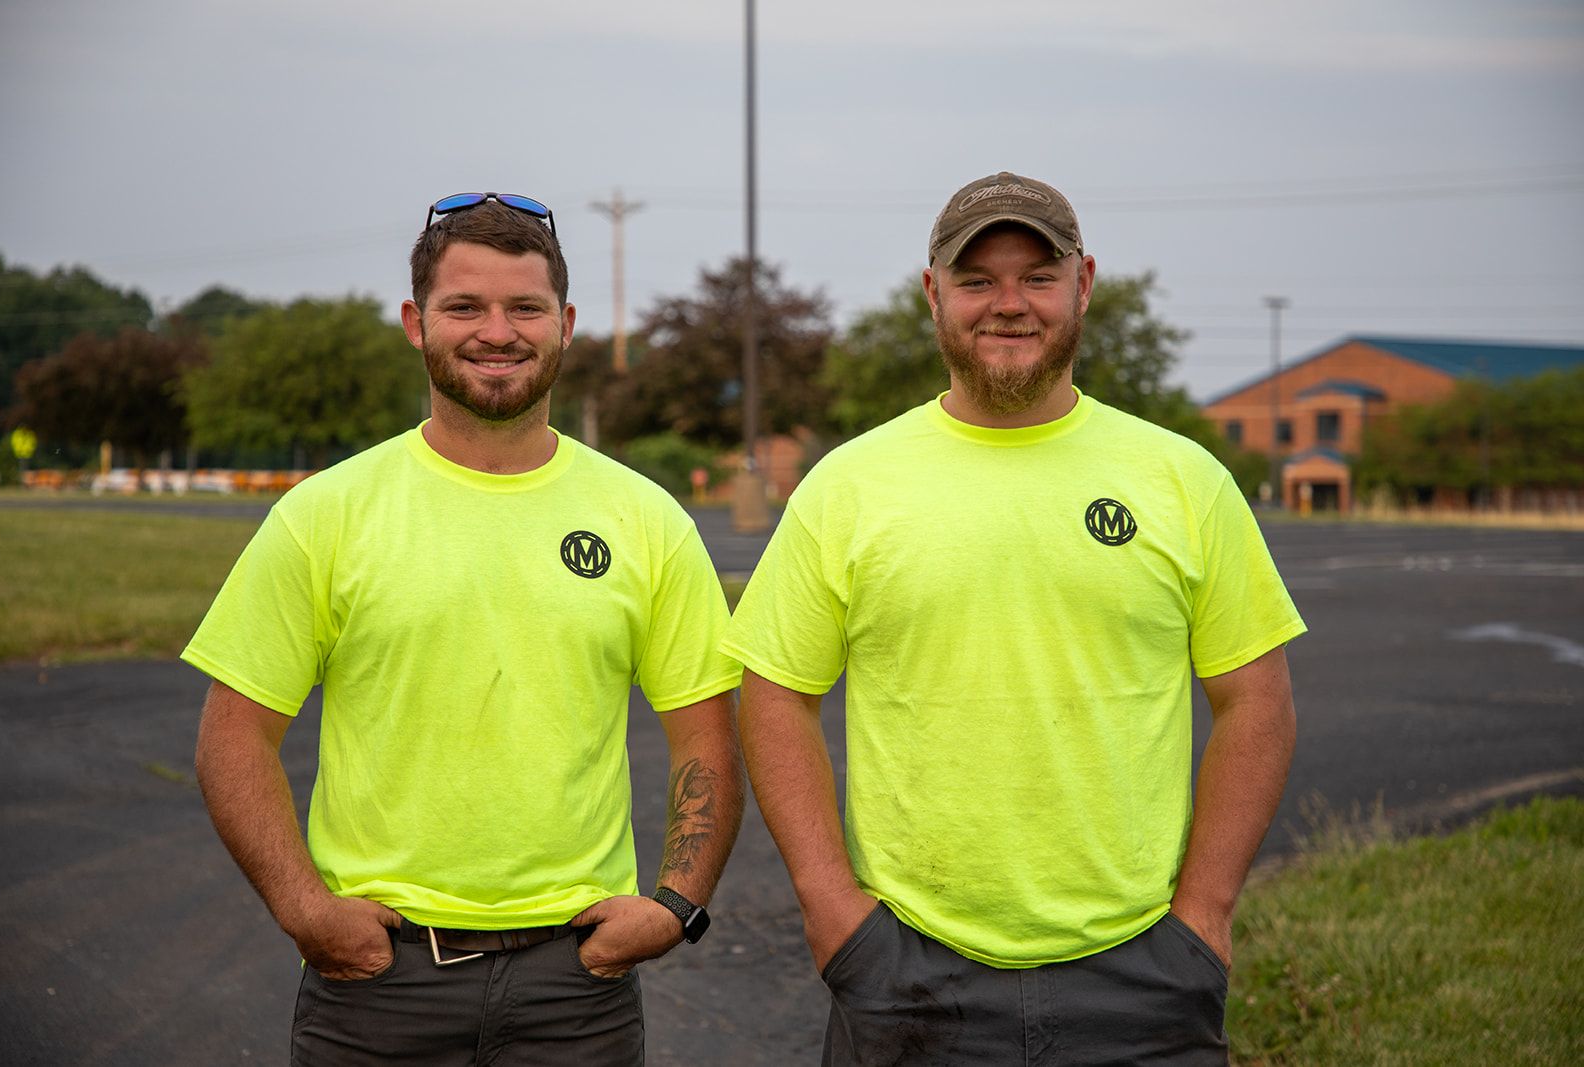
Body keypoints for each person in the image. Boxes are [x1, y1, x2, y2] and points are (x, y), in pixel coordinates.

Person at [723, 171, 1305, 1065]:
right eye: (977, 279)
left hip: (1143, 975)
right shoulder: (850, 485)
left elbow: (1256, 700)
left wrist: (1203, 918)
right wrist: (834, 909)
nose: (1009, 303)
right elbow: (774, 693)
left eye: (1037, 275)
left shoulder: (1182, 480)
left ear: (1085, 282)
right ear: (932, 293)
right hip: (908, 973)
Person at [187, 192, 744, 1066]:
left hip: (578, 989)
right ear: (416, 322)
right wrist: (306, 910)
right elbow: (234, 735)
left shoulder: (646, 518)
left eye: (524, 307)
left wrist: (675, 904)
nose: (498, 330)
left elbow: (706, 733)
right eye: (465, 306)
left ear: (565, 323)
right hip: (377, 985)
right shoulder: (325, 514)